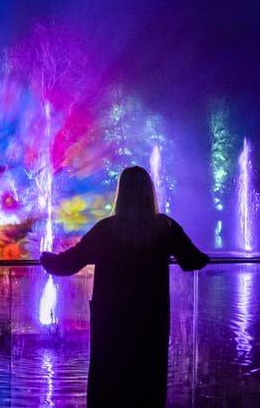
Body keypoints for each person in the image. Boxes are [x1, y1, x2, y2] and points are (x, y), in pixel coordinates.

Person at [40, 166, 209, 408]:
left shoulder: (106, 229)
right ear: (149, 193)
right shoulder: (166, 227)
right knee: (148, 382)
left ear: (121, 193)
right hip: (151, 321)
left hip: (111, 322)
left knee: (108, 381)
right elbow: (193, 260)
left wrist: (45, 258)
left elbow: (69, 263)